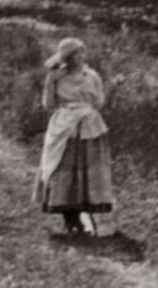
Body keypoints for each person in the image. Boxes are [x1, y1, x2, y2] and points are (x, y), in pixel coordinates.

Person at [34, 37, 116, 237]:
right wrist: (52, 81)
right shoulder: (57, 77)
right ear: (67, 58)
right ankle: (70, 219)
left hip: (89, 127)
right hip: (64, 128)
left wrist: (85, 111)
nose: (79, 58)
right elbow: (49, 105)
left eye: (82, 53)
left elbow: (99, 101)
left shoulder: (92, 76)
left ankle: (88, 218)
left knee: (88, 173)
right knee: (64, 172)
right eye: (75, 54)